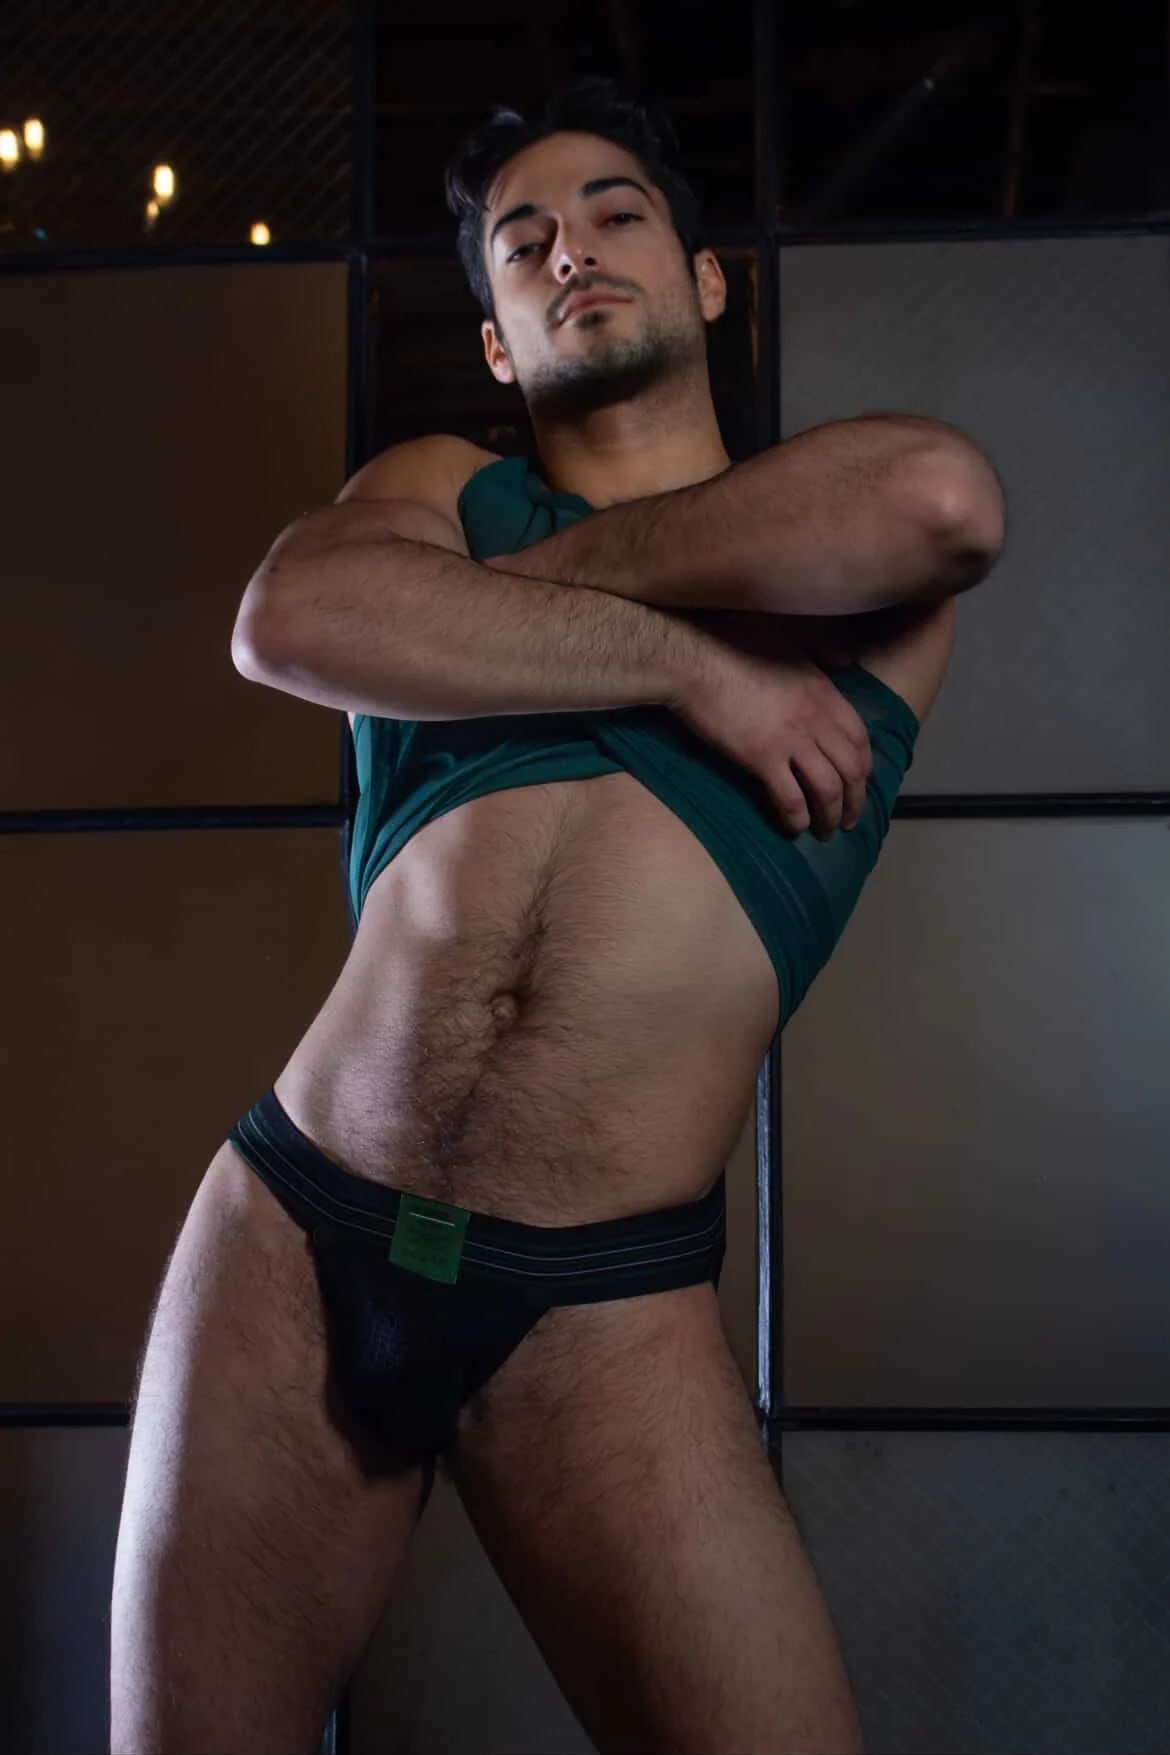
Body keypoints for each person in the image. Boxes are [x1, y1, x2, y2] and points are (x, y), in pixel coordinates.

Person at [110, 76, 1004, 1755]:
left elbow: (942, 500)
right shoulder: (442, 481)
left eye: (614, 214)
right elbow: (291, 615)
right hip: (298, 1231)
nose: (569, 250)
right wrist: (686, 667)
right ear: (498, 343)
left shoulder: (832, 538)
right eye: (522, 244)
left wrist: (465, 612)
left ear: (706, 279)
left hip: (597, 1300)